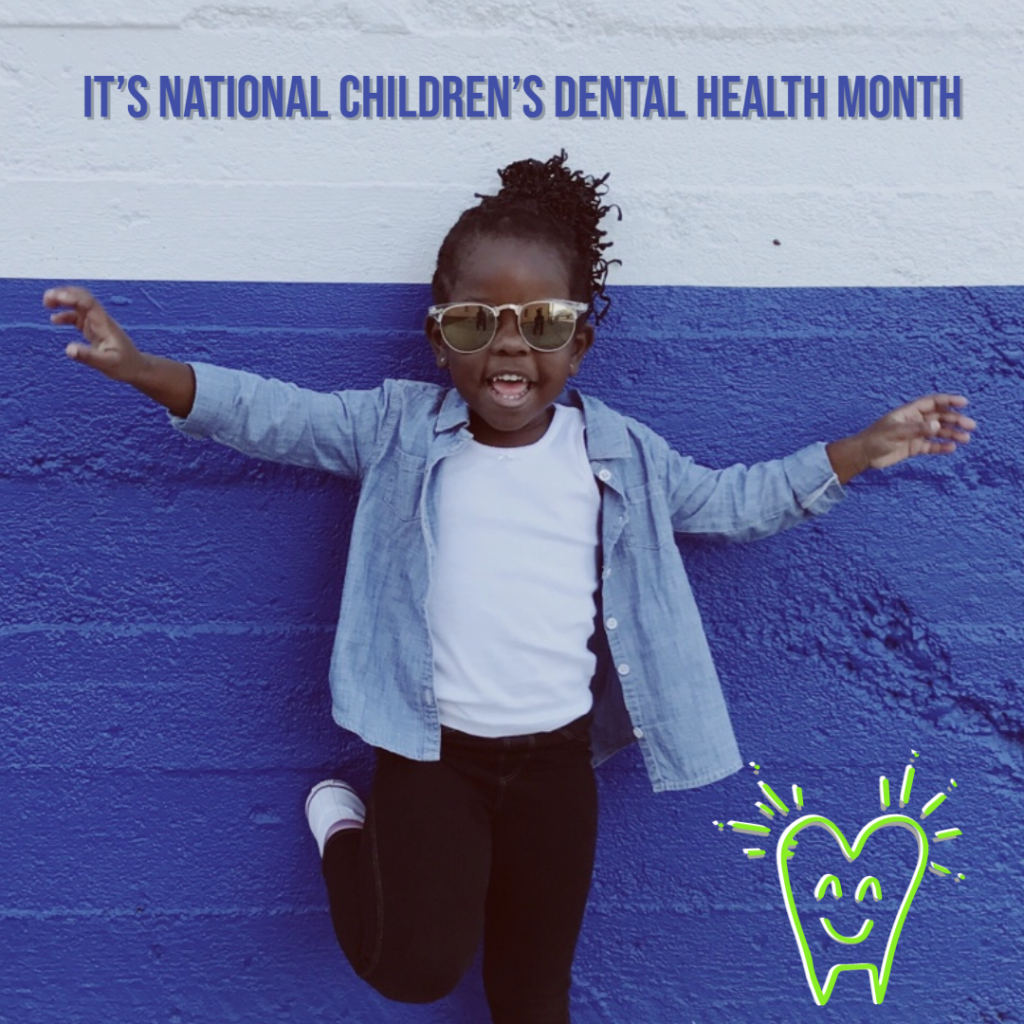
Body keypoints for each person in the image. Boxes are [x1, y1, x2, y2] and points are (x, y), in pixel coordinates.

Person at [42, 151, 974, 1024]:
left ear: (582, 340)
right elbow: (272, 416)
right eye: (474, 322)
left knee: (532, 994)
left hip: (558, 766)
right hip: (432, 756)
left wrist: (860, 452)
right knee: (416, 969)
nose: (509, 347)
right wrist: (142, 370)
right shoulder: (398, 430)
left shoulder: (619, 454)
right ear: (437, 335)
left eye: (545, 324)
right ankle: (342, 831)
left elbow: (733, 503)